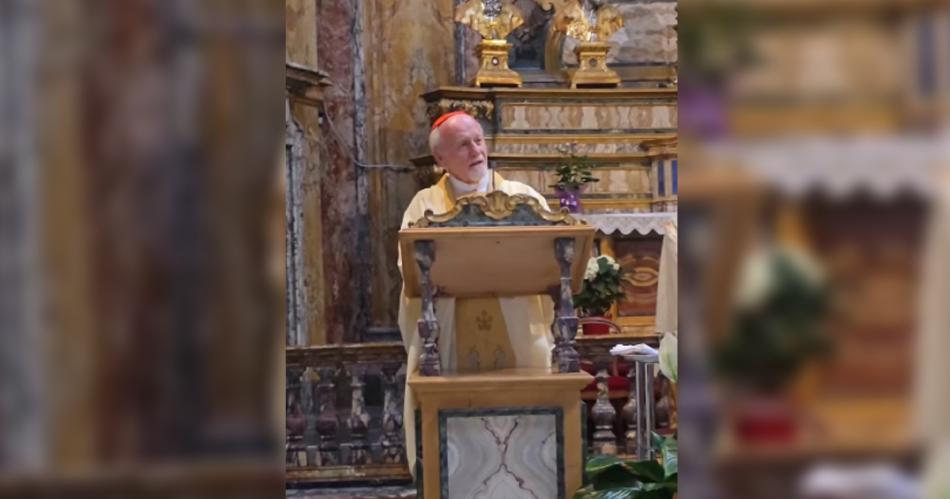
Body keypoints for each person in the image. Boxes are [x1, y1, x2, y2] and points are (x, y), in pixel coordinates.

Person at [397, 111, 556, 475]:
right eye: (463, 145)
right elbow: (409, 271)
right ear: (441, 159)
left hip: (520, 336)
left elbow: (552, 258)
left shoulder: (523, 198)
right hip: (448, 342)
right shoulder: (424, 207)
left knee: (525, 450)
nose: (476, 150)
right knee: (461, 456)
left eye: (479, 140)